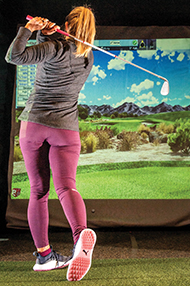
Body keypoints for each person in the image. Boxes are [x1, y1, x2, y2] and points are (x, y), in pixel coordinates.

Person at [5, 6, 97, 282]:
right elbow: (58, 56)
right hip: (65, 129)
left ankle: (44, 257)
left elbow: (14, 56)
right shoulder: (88, 56)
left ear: (67, 23)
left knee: (38, 191)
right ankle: (80, 235)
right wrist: (45, 36)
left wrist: (30, 30)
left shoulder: (54, 46)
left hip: (34, 125)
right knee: (66, 186)